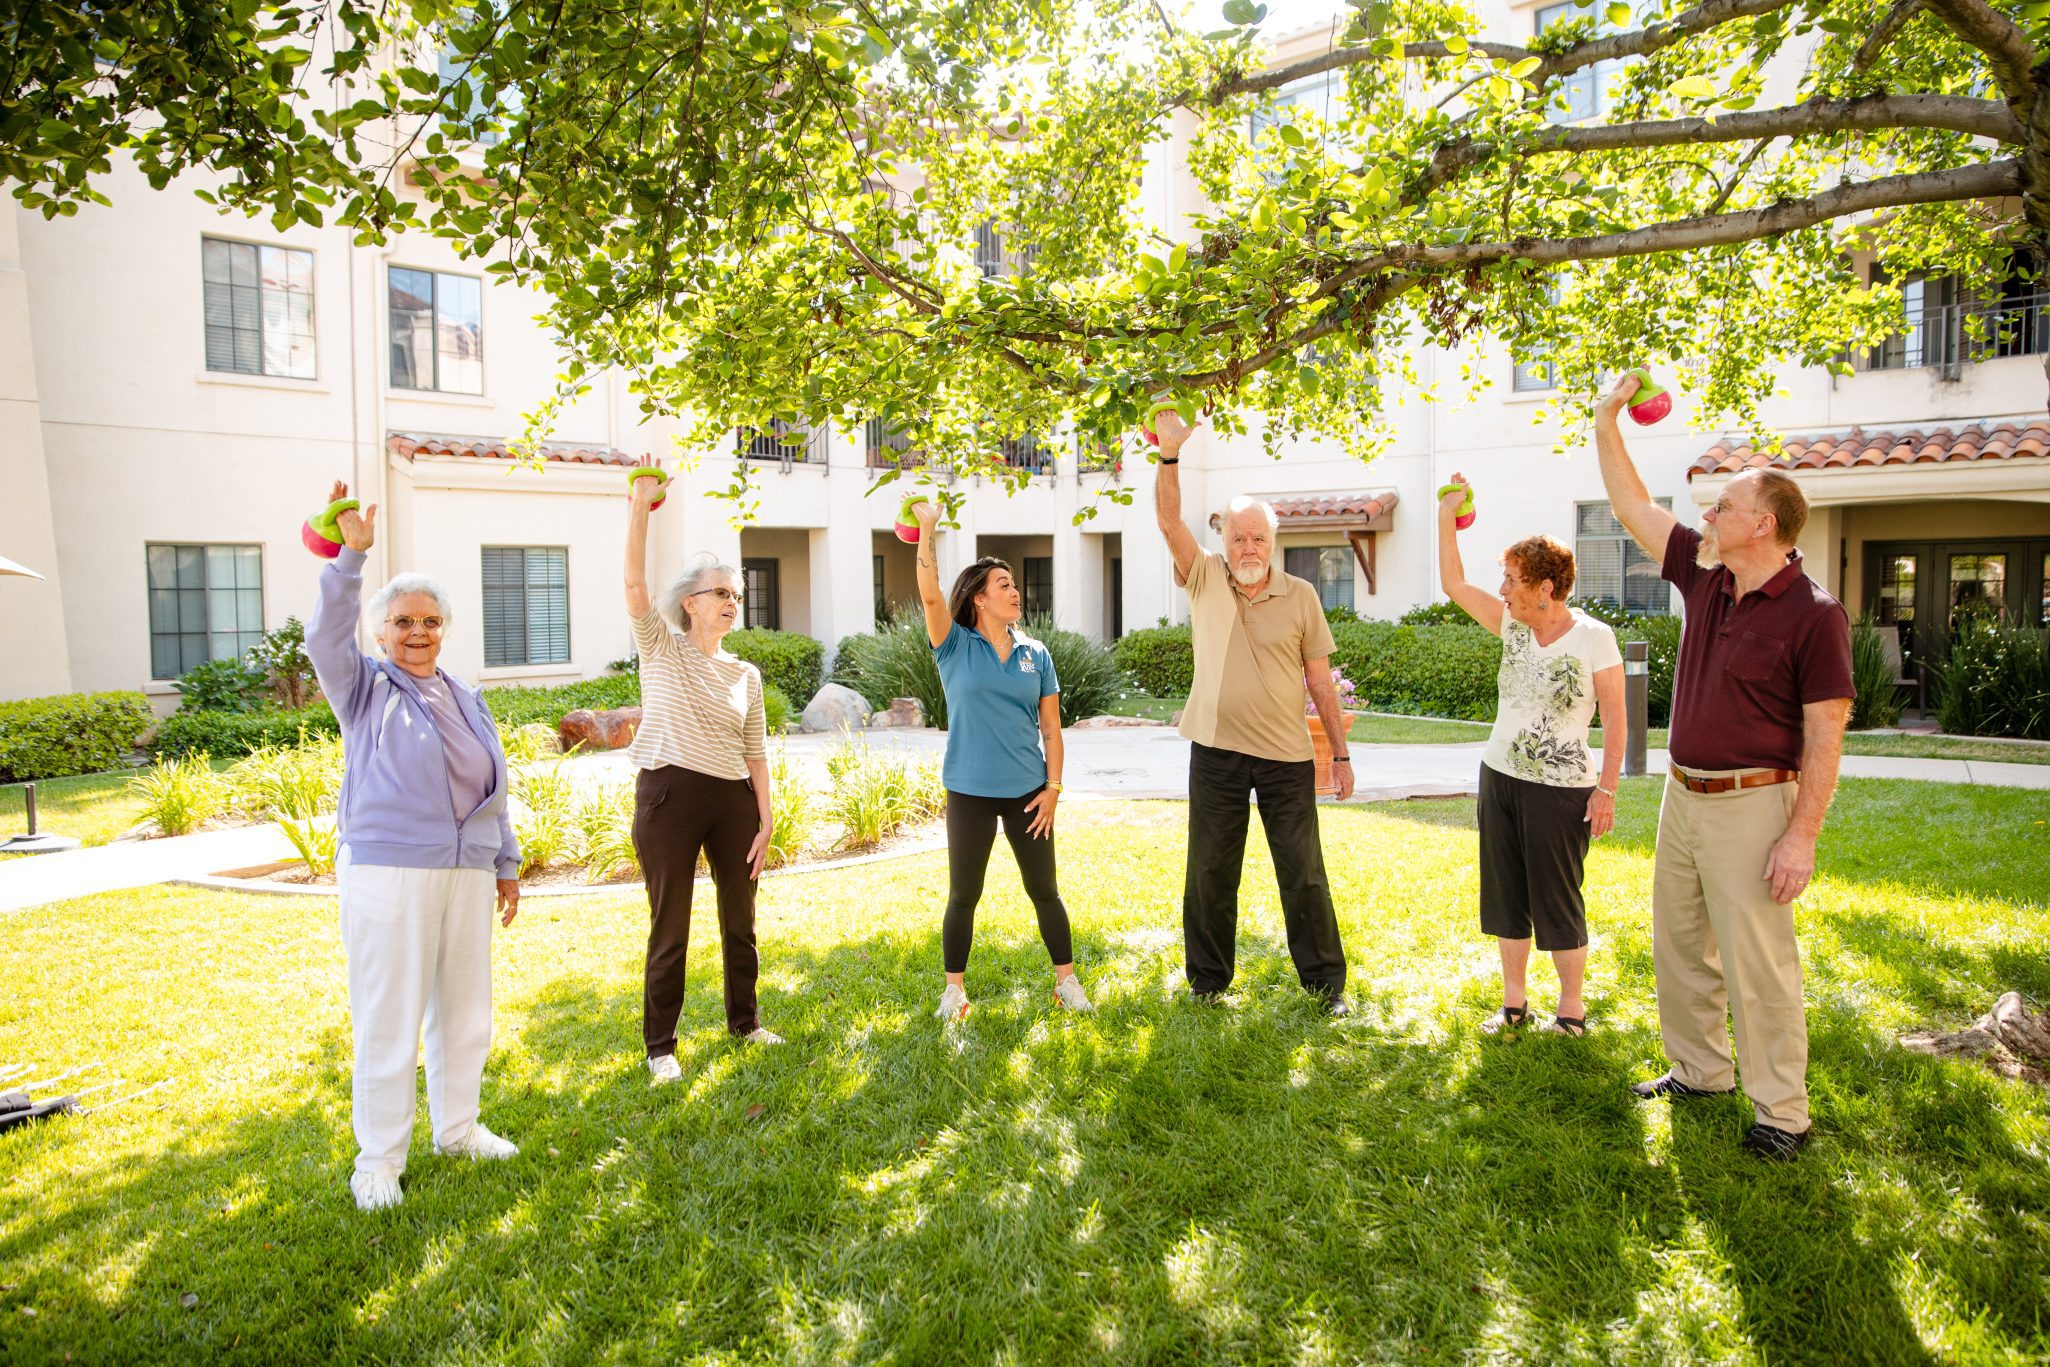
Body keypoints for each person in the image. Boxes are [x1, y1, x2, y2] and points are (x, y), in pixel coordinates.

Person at [1595, 374, 1854, 1160]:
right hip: (1684, 796)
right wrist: (1607, 419)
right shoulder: (1707, 575)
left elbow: (1825, 735)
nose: (1709, 515)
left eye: (1725, 507)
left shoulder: (1814, 613)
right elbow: (1632, 507)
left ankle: (1783, 1113)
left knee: (1760, 965)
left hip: (1753, 803)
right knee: (1678, 943)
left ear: (1764, 523)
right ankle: (1700, 1070)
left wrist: (1800, 836)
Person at [305, 481, 522, 1212]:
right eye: (402, 621)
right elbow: (323, 637)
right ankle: (378, 1161)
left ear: (445, 628)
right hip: (390, 871)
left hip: (463, 874)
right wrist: (350, 558)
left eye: (430, 620)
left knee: (465, 1013)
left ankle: (457, 1128)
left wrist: (505, 862)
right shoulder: (363, 688)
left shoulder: (465, 694)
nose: (418, 631)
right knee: (389, 1016)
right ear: (380, 633)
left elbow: (491, 781)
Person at [1150, 410, 1352, 1013]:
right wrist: (1169, 455)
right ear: (1224, 542)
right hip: (1216, 752)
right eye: (1238, 537)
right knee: (1210, 870)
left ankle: (1325, 986)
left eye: (1258, 538)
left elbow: (1320, 679)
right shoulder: (1205, 577)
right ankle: (1208, 984)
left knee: (1304, 873)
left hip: (1288, 757)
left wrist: (1339, 753)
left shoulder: (1302, 596)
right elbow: (1167, 519)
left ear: (1274, 542)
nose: (1248, 547)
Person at [1436, 474, 1625, 1038]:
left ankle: (1571, 1010)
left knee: (1559, 896)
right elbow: (1453, 583)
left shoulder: (1594, 637)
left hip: (1563, 788)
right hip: (1500, 777)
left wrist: (1607, 788)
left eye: (1513, 580)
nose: (1502, 590)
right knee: (1505, 892)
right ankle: (1514, 1003)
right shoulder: (1511, 627)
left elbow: (1616, 717)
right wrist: (1447, 515)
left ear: (1545, 587)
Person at [623, 458, 782, 1082]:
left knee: (741, 923)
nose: (731, 602)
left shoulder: (747, 674)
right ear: (690, 602)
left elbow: (756, 750)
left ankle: (745, 1022)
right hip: (670, 795)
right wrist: (640, 505)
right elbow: (635, 586)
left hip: (734, 802)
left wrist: (766, 817)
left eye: (735, 596)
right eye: (721, 593)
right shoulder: (661, 645)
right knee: (671, 925)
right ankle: (661, 1046)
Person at [910, 500, 1091, 1021]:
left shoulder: (1037, 654)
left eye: (1015, 584)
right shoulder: (953, 645)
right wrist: (928, 529)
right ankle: (954, 992)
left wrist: (1053, 789)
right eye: (1004, 585)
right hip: (968, 789)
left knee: (1045, 892)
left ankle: (1066, 982)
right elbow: (927, 593)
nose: (1016, 591)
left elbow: (1052, 731)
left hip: (1028, 793)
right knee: (964, 894)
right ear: (980, 599)